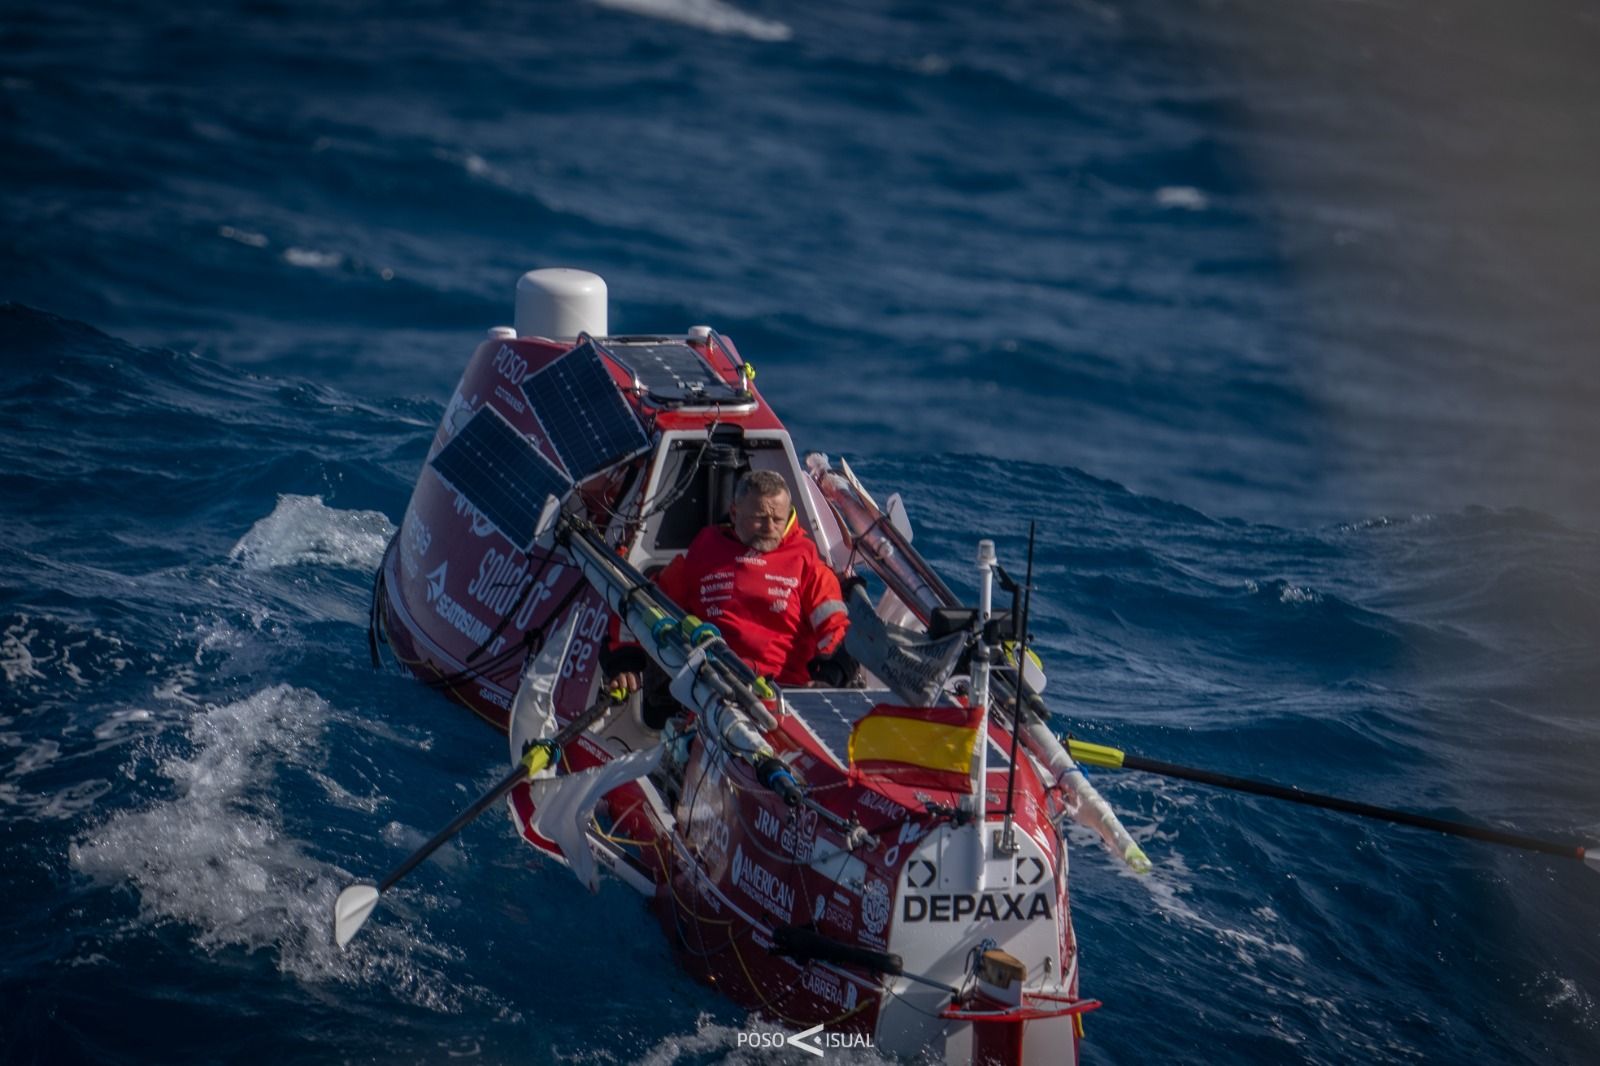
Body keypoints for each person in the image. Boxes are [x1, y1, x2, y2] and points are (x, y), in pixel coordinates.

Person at [603, 470, 853, 720]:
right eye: (759, 518)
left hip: (783, 699)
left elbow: (837, 630)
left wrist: (827, 680)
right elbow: (645, 603)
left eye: (778, 519)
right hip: (712, 692)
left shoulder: (807, 562)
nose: (769, 528)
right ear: (734, 513)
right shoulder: (706, 550)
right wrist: (625, 662)